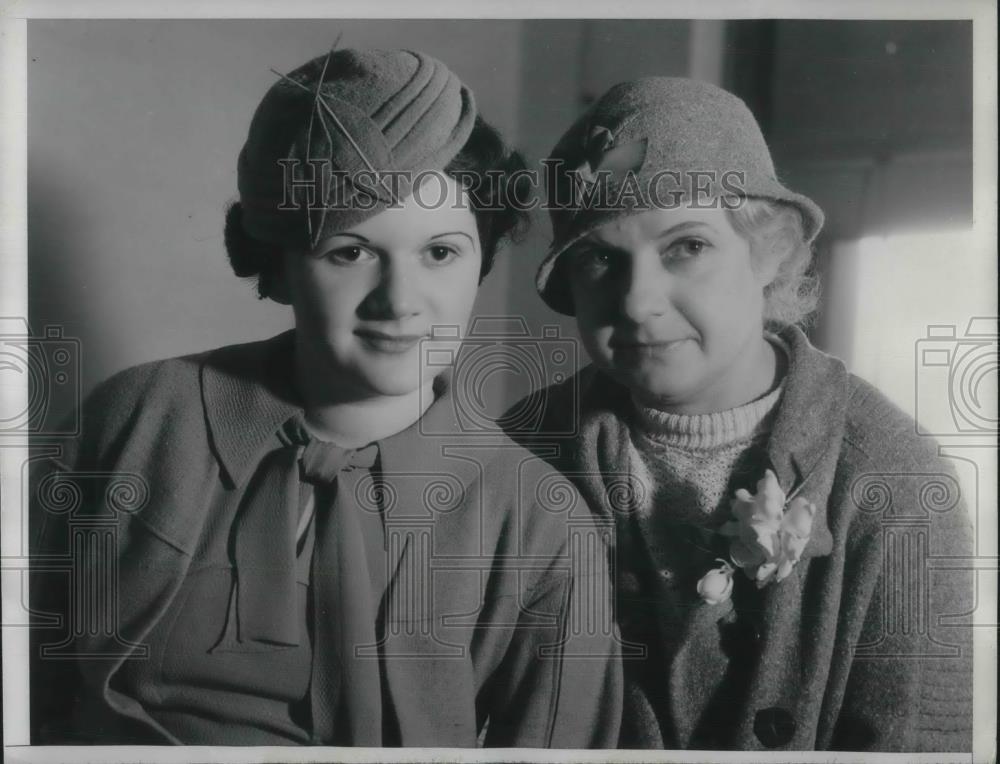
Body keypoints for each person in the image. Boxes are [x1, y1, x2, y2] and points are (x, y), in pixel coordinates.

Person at [29, 47, 622, 747]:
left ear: (483, 260)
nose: (401, 302)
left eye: (441, 253)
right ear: (278, 266)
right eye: (350, 251)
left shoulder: (542, 522)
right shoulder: (138, 418)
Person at [506, 77, 973, 751]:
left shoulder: (895, 480)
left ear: (770, 251)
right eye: (601, 260)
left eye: (686, 247)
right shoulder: (518, 453)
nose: (639, 302)